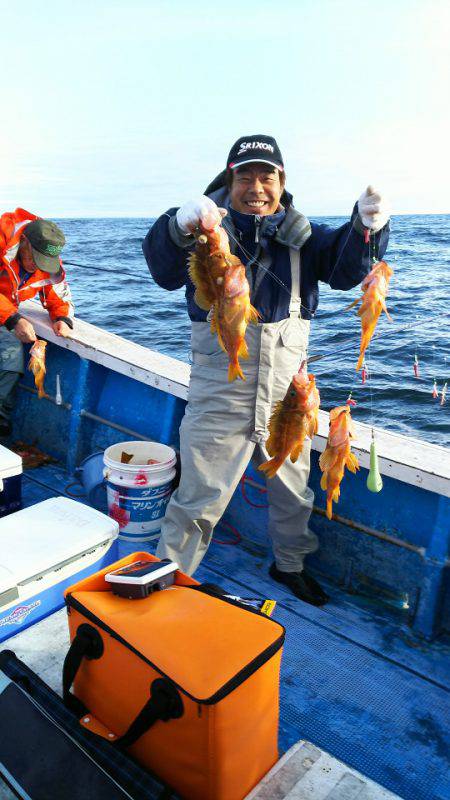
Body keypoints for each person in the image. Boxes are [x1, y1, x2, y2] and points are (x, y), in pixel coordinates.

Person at [142, 134, 390, 606]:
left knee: (295, 492)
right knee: (197, 495)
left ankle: (290, 565)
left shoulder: (306, 237)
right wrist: (177, 227)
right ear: (229, 180)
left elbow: (345, 269)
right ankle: (170, 580)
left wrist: (368, 228)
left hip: (287, 391)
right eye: (245, 176)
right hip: (220, 389)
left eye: (267, 176)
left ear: (282, 182)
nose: (256, 187)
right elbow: (163, 270)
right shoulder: (203, 233)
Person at [0, 208, 74, 436]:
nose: (37, 266)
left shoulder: (46, 259)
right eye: (34, 258)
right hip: (5, 313)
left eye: (44, 262)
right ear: (23, 241)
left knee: (11, 360)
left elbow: (57, 292)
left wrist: (62, 317)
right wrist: (13, 319)